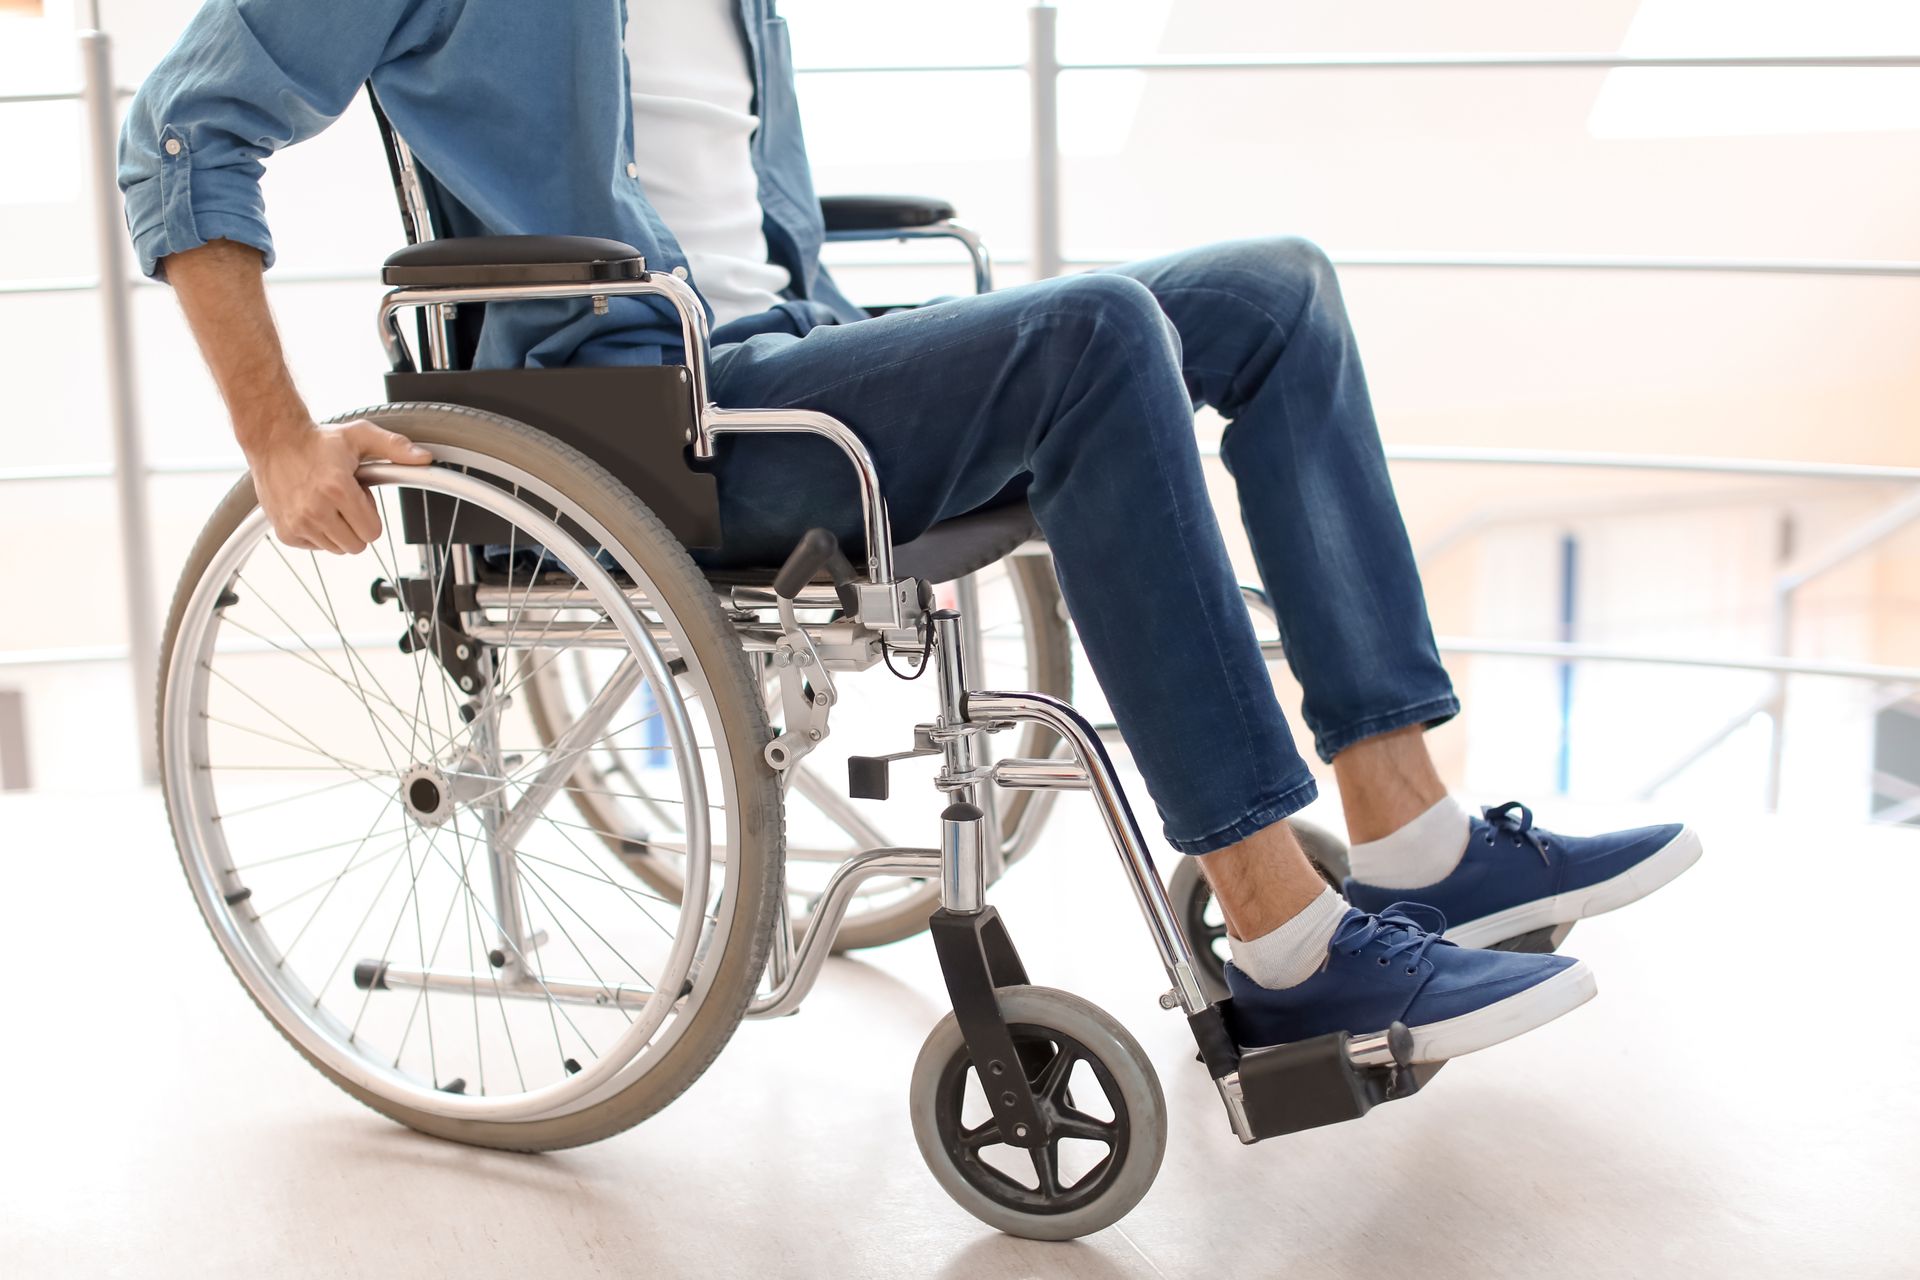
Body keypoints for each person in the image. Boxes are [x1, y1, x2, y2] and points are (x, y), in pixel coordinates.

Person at [120, 0, 1700, 1062]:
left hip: (798, 351)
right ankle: (1288, 948)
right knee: (1093, 338)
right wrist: (276, 434)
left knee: (1270, 292)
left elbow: (753, 220)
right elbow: (185, 132)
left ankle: (1409, 830)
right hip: (661, 425)